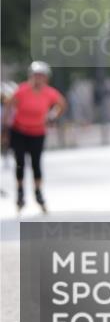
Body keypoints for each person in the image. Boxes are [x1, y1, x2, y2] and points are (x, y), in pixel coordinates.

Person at [4, 61, 67, 213]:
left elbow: (61, 104)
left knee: (36, 164)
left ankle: (38, 193)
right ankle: (20, 193)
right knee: (19, 163)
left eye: (41, 76)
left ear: (46, 78)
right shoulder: (22, 90)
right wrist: (5, 127)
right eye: (36, 76)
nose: (38, 79)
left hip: (37, 132)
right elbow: (9, 105)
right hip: (19, 131)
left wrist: (52, 116)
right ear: (31, 76)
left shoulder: (49, 92)